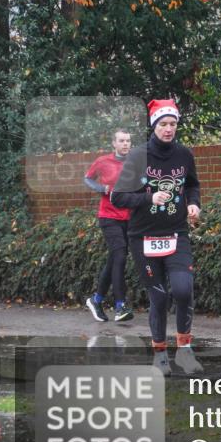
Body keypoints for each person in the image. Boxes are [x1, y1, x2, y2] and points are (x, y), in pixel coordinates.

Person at [110, 99, 203, 376]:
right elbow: (118, 197)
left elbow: (192, 184)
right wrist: (149, 197)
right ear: (154, 126)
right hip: (143, 237)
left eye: (173, 124)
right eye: (163, 124)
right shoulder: (138, 156)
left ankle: (185, 352)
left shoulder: (184, 155)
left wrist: (193, 204)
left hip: (177, 233)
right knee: (159, 298)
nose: (168, 129)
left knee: (183, 290)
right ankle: (160, 355)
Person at [84, 129, 134, 323]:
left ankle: (96, 300)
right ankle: (120, 306)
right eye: (121, 141)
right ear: (114, 143)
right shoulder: (103, 161)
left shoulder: (135, 163)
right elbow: (87, 178)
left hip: (128, 218)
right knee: (120, 256)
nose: (125, 144)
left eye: (128, 141)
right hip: (109, 217)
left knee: (114, 260)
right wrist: (101, 188)